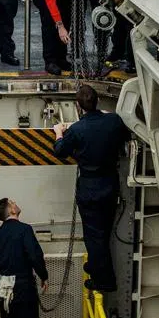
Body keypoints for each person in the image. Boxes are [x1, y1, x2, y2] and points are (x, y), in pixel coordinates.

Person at [53, 84, 130, 293]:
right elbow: (123, 132)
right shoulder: (113, 121)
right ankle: (97, 266)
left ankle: (103, 281)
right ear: (97, 102)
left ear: (79, 107)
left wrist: (59, 133)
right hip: (110, 184)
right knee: (103, 232)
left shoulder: (77, 129)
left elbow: (60, 151)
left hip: (90, 187)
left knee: (94, 237)